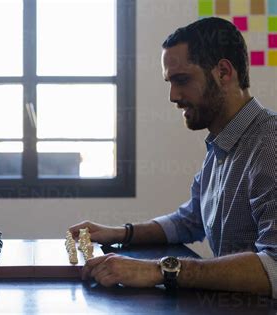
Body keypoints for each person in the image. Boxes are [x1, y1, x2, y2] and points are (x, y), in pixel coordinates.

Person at [70, 17, 277, 298]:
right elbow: (189, 221)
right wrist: (120, 233)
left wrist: (160, 270)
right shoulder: (222, 147)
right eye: (170, 82)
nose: (172, 95)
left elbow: (275, 265)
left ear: (224, 73)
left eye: (182, 80)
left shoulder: (269, 143)